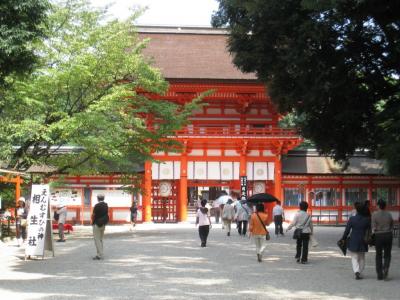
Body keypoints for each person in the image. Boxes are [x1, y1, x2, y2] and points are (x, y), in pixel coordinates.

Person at [340, 202, 370, 280]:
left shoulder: (352, 219)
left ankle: (356, 271)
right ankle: (360, 271)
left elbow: (347, 230)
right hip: (363, 240)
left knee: (354, 257)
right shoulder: (367, 220)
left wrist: (343, 238)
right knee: (362, 257)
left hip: (354, 239)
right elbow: (369, 231)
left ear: (356, 210)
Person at [372, 199, 394, 280]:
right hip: (388, 235)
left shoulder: (374, 214)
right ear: (385, 206)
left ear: (378, 205)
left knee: (378, 255)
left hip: (378, 236)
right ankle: (386, 268)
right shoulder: (389, 214)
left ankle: (379, 274)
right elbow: (392, 224)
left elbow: (373, 227)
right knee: (387, 254)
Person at [92, 194, 109, 260]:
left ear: (98, 198)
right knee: (101, 239)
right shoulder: (106, 205)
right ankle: (100, 253)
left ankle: (99, 255)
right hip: (103, 223)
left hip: (97, 223)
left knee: (97, 239)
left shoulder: (97, 205)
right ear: (103, 198)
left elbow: (94, 214)